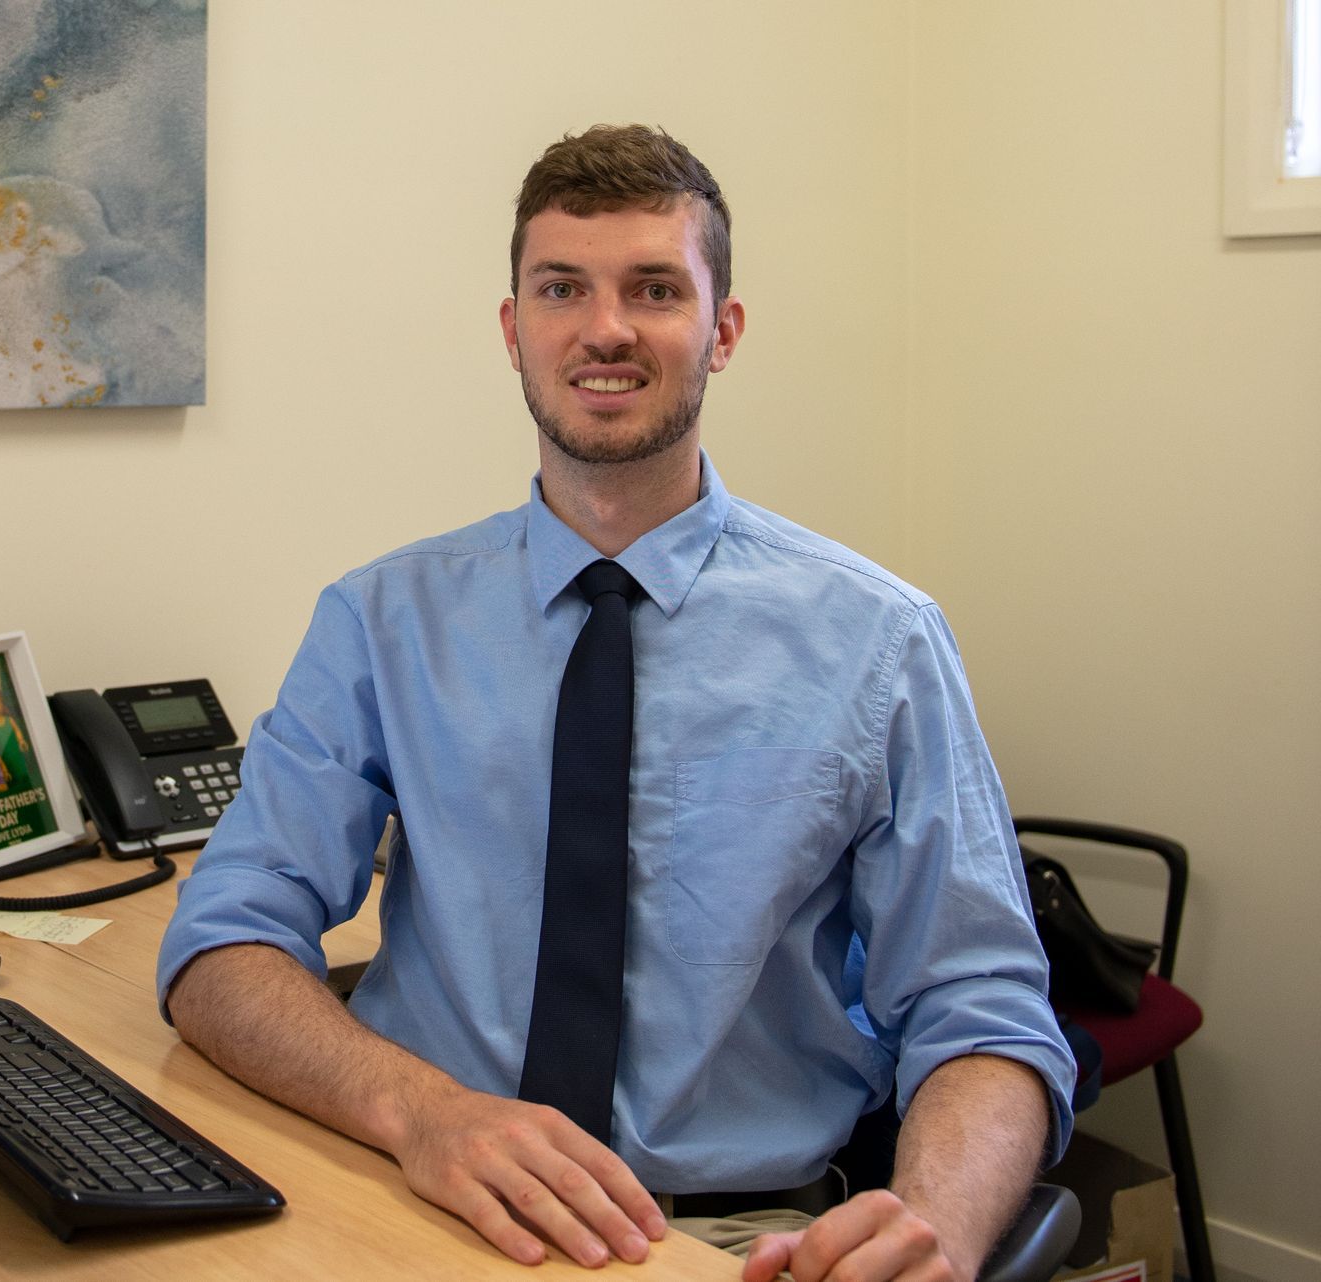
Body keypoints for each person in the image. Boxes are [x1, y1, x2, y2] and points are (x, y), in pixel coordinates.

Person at [155, 124, 1075, 1282]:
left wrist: (930, 1221)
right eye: (562, 289)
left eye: (655, 289)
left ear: (723, 330)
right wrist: (422, 1112)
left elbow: (982, 1009)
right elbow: (222, 940)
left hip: (739, 1236)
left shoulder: (880, 640)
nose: (606, 328)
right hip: (426, 1199)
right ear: (513, 331)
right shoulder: (381, 623)